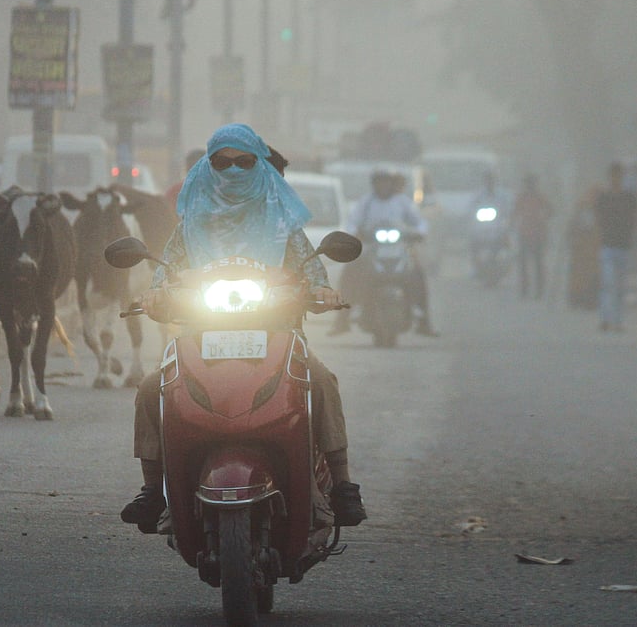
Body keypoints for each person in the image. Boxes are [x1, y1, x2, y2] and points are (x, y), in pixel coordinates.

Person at [120, 123, 367, 531]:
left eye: (244, 162)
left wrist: (323, 293)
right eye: (222, 162)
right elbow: (165, 278)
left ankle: (342, 484)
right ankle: (153, 490)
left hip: (280, 335)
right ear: (207, 166)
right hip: (200, 337)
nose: (233, 170)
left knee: (322, 382)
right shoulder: (189, 225)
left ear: (260, 166)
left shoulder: (283, 224)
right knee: (151, 389)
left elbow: (313, 272)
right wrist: (155, 296)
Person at [329, 170, 437, 337]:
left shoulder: (403, 202)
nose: (383, 186)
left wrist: (419, 233)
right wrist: (354, 234)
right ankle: (342, 319)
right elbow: (352, 222)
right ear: (374, 185)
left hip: (400, 250)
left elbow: (419, 222)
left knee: (418, 274)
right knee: (350, 273)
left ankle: (424, 321)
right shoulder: (366, 203)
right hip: (370, 250)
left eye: (386, 182)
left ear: (392, 184)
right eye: (380, 183)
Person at [594, 162, 637, 331]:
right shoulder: (603, 197)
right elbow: (597, 219)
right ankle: (605, 319)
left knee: (620, 286)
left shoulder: (629, 198)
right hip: (607, 246)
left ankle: (618, 321)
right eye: (613, 175)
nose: (616, 178)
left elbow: (635, 217)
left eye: (618, 175)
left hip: (624, 246)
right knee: (607, 283)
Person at [511, 173, 554, 299]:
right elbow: (514, 213)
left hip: (539, 234)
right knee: (523, 263)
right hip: (524, 233)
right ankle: (525, 290)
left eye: (531, 184)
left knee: (538, 263)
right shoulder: (521, 198)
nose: (530, 187)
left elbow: (551, 210)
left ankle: (539, 290)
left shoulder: (541, 197)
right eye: (528, 184)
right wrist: (510, 227)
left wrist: (543, 218)